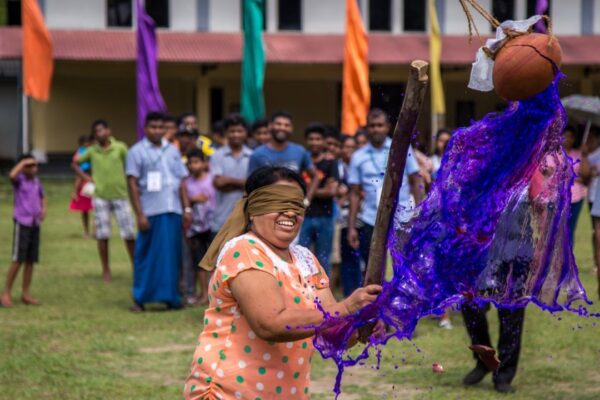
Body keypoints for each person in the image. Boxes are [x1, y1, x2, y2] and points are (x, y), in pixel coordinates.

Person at [184, 166, 383, 399]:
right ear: (253, 209)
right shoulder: (244, 250)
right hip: (228, 392)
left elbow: (329, 333)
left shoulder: (306, 259)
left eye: (297, 204)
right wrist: (346, 308)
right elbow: (270, 323)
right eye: (277, 202)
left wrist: (358, 326)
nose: (290, 213)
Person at [347, 109, 425, 280]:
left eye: (380, 125)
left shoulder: (402, 147)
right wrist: (352, 226)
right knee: (373, 268)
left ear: (388, 127)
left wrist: (420, 213)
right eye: (372, 126)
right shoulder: (358, 156)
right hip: (371, 219)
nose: (376, 129)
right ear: (367, 128)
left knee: (404, 266)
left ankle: (402, 304)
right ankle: (376, 304)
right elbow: (353, 193)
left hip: (402, 217)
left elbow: (415, 180)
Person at [126, 112, 192, 312]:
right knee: (146, 255)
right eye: (152, 127)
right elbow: (133, 183)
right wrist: (140, 214)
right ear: (145, 128)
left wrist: (187, 208)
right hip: (151, 211)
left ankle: (171, 298)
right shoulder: (136, 151)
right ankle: (140, 298)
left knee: (171, 257)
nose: (157, 131)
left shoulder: (172, 150)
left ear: (165, 129)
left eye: (160, 127)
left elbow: (181, 181)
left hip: (173, 209)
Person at [73, 119, 135, 282]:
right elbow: (75, 163)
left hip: (120, 196)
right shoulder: (92, 151)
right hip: (100, 197)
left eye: (102, 130)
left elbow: (131, 167)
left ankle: (136, 267)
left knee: (128, 233)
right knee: (102, 235)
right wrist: (86, 177)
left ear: (109, 131)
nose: (100, 134)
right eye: (96, 132)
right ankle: (106, 269)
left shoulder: (120, 148)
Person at [1, 155, 47, 307]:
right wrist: (23, 163)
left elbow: (43, 196)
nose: (34, 168)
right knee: (18, 258)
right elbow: (11, 175)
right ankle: (6, 292)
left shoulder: (36, 182)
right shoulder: (19, 180)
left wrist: (44, 208)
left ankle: (25, 293)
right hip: (23, 223)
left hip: (35, 223)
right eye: (30, 165)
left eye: (35, 165)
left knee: (30, 260)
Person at [247, 111, 320, 200]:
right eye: (279, 124)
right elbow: (250, 183)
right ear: (270, 126)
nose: (282, 128)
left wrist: (307, 200)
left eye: (286, 125)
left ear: (291, 128)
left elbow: (316, 176)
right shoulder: (257, 154)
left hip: (294, 206)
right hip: (267, 207)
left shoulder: (300, 151)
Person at [298, 123, 339, 277]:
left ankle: (323, 297)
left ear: (323, 141)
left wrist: (307, 189)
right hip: (303, 217)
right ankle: (302, 294)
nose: (314, 142)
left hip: (325, 217)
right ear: (306, 141)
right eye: (311, 139)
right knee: (300, 257)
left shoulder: (331, 162)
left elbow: (331, 191)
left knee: (323, 259)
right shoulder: (302, 161)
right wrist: (321, 189)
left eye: (318, 139)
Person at [210, 114, 253, 236]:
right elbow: (218, 183)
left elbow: (253, 185)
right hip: (222, 220)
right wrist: (244, 183)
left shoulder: (253, 155)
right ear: (226, 133)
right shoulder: (217, 155)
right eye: (232, 131)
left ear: (246, 133)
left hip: (247, 219)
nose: (236, 134)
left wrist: (228, 180)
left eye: (239, 131)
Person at [184, 148, 216, 305]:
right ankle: (204, 294)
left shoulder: (212, 180)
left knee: (214, 261)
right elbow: (185, 203)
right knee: (200, 261)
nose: (192, 165)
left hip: (212, 225)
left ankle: (215, 294)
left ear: (204, 163)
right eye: (189, 163)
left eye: (196, 162)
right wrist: (193, 200)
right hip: (195, 228)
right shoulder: (186, 183)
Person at [337, 135, 361, 296]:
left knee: (360, 258)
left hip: (363, 218)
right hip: (343, 218)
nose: (350, 151)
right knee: (346, 257)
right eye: (346, 147)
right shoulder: (337, 168)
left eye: (353, 147)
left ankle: (360, 293)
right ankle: (347, 293)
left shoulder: (361, 167)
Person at [564, 125, 586, 245]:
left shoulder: (579, 154)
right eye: (565, 136)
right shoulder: (555, 153)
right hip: (558, 196)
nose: (567, 139)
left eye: (570, 137)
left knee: (570, 229)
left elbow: (584, 176)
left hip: (576, 197)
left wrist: (585, 155)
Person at [69, 134, 94, 238]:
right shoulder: (81, 153)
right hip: (86, 180)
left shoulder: (92, 152)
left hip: (92, 180)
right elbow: (77, 173)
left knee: (97, 208)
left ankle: (94, 231)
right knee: (85, 209)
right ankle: (87, 231)